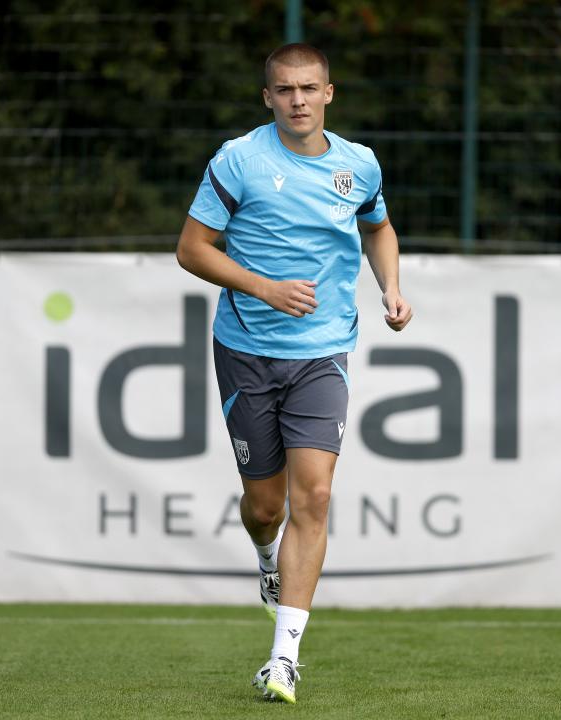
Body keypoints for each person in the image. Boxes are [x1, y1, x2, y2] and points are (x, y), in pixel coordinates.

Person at [176, 42, 412, 704]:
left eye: (310, 89)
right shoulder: (239, 160)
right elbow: (191, 249)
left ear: (329, 93)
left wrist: (391, 286)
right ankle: (264, 557)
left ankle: (282, 660)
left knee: (313, 497)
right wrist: (262, 287)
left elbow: (380, 228)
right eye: (285, 91)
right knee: (266, 506)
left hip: (324, 351)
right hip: (247, 350)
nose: (299, 100)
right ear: (268, 98)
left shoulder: (358, 165)